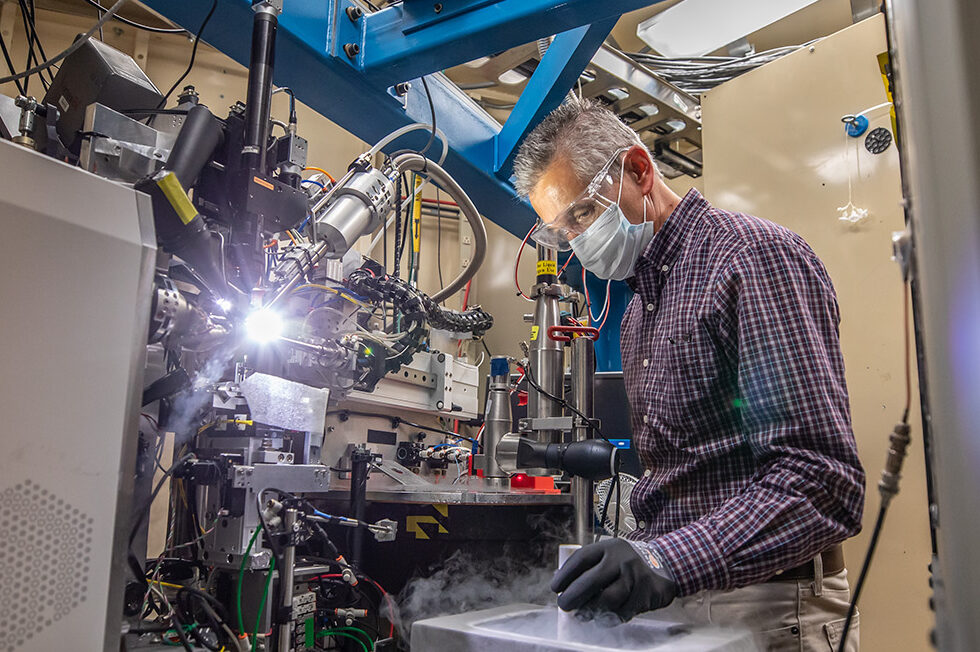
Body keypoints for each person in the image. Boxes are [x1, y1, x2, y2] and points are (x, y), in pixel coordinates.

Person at [512, 98, 866, 651]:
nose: (578, 246)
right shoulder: (638, 315)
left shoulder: (753, 259)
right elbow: (684, 483)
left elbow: (821, 482)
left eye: (581, 215)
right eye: (562, 232)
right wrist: (626, 559)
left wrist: (664, 560)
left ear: (638, 169)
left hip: (771, 605)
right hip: (686, 601)